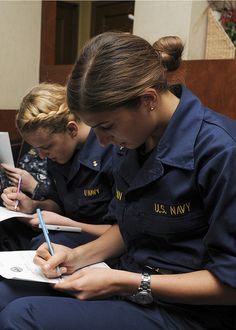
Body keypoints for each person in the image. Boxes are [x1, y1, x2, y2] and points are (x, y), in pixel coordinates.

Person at [0, 32, 236, 329]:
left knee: (21, 318)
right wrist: (75, 256)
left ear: (148, 100)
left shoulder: (222, 151)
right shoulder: (136, 141)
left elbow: (230, 285)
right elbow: (131, 227)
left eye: (106, 126)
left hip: (186, 312)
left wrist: (125, 282)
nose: (102, 140)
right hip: (131, 285)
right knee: (3, 293)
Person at [0, 83, 114, 250]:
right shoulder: (59, 154)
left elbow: (124, 234)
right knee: (6, 230)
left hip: (102, 241)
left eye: (46, 147)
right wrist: (33, 206)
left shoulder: (111, 151)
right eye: (37, 149)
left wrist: (69, 223)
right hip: (64, 229)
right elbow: (59, 204)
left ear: (72, 129)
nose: (41, 156)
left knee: (45, 247)